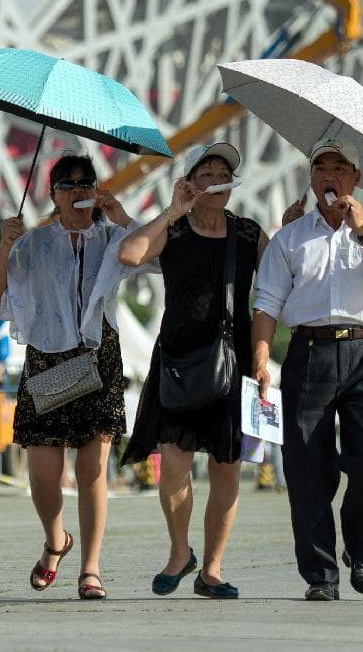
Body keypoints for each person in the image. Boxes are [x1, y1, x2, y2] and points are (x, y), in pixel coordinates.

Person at [252, 138, 363, 601]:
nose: (329, 175)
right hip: (310, 352)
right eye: (320, 166)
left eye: (339, 167)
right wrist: (262, 359)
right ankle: (321, 574)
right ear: (310, 177)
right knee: (306, 468)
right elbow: (266, 303)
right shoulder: (290, 238)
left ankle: (360, 552)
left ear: (355, 178)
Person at [0, 154, 140, 600]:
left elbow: (157, 259)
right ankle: (56, 541)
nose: (77, 190)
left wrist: (122, 216)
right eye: (66, 185)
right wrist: (5, 246)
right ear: (52, 194)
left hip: (98, 356)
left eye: (85, 182)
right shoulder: (32, 244)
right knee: (43, 475)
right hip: (48, 359)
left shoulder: (113, 239)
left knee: (92, 469)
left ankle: (91, 568)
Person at [118, 142, 269, 599]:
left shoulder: (246, 234)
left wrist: (295, 227)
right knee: (174, 466)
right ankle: (180, 553)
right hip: (179, 362)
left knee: (227, 469)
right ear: (191, 183)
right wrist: (172, 211)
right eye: (208, 172)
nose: (218, 178)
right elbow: (130, 254)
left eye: (225, 172)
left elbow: (283, 276)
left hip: (232, 362)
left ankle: (213, 570)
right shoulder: (176, 230)